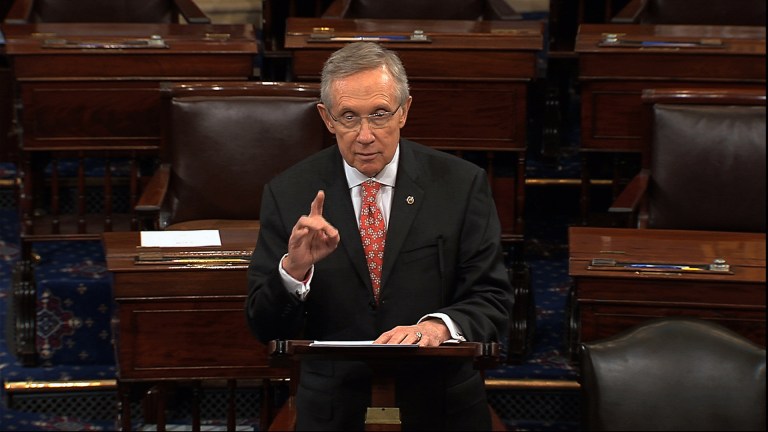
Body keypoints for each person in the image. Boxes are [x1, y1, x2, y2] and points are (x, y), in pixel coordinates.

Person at [245, 41, 513, 431]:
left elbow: (493, 299)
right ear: (327, 118)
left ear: (404, 111)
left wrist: (435, 328)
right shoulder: (288, 194)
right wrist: (294, 270)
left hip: (440, 402)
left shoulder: (460, 184)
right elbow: (264, 328)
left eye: (380, 114)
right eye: (349, 117)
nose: (365, 135)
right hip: (334, 408)